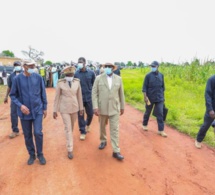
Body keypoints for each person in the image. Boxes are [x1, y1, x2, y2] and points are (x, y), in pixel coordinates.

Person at [10, 60, 47, 165]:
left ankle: (40, 154)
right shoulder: (17, 79)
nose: (32, 67)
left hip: (37, 110)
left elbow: (43, 93)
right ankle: (31, 154)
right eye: (30, 66)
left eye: (33, 65)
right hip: (24, 112)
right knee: (27, 135)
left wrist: (45, 107)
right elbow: (13, 95)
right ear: (24, 66)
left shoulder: (38, 78)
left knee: (38, 132)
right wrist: (21, 106)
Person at [92, 63, 125, 160]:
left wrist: (122, 106)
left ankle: (116, 151)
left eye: (109, 67)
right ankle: (103, 140)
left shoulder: (118, 79)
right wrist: (95, 107)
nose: (107, 68)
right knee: (102, 126)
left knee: (114, 129)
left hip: (114, 108)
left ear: (113, 68)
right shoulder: (98, 78)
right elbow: (94, 93)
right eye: (105, 67)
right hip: (102, 108)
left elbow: (121, 94)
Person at [53, 66, 84, 159]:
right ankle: (70, 148)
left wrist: (81, 108)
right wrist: (55, 110)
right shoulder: (60, 83)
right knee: (68, 127)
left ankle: (69, 140)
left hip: (74, 107)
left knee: (72, 127)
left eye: (71, 74)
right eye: (68, 75)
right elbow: (57, 97)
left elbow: (79, 96)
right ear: (65, 75)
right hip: (64, 108)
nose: (70, 76)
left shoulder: (77, 82)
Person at [142, 61, 167, 137]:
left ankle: (161, 130)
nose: (152, 67)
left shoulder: (161, 75)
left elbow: (163, 87)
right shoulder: (148, 76)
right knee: (148, 112)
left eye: (154, 66)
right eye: (151, 66)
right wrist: (145, 97)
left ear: (157, 66)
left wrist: (163, 97)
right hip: (150, 97)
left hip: (159, 98)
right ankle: (144, 124)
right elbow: (144, 87)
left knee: (160, 113)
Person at [74, 57, 95, 140]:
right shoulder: (76, 74)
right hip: (79, 98)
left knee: (90, 114)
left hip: (89, 97)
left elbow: (94, 84)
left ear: (85, 63)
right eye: (78, 62)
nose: (79, 64)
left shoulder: (91, 73)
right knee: (80, 115)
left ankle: (87, 124)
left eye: (81, 62)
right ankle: (82, 132)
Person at [195, 75, 215, 149]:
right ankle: (198, 140)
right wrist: (210, 109)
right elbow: (208, 95)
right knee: (206, 125)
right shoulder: (212, 79)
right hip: (212, 108)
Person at [4, 61, 22, 138]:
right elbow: (9, 87)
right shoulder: (11, 76)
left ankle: (27, 129)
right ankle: (15, 131)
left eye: (18, 65)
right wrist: (6, 96)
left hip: (23, 97)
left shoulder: (25, 74)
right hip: (14, 98)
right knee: (13, 114)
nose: (17, 66)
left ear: (21, 66)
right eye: (15, 65)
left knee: (25, 113)